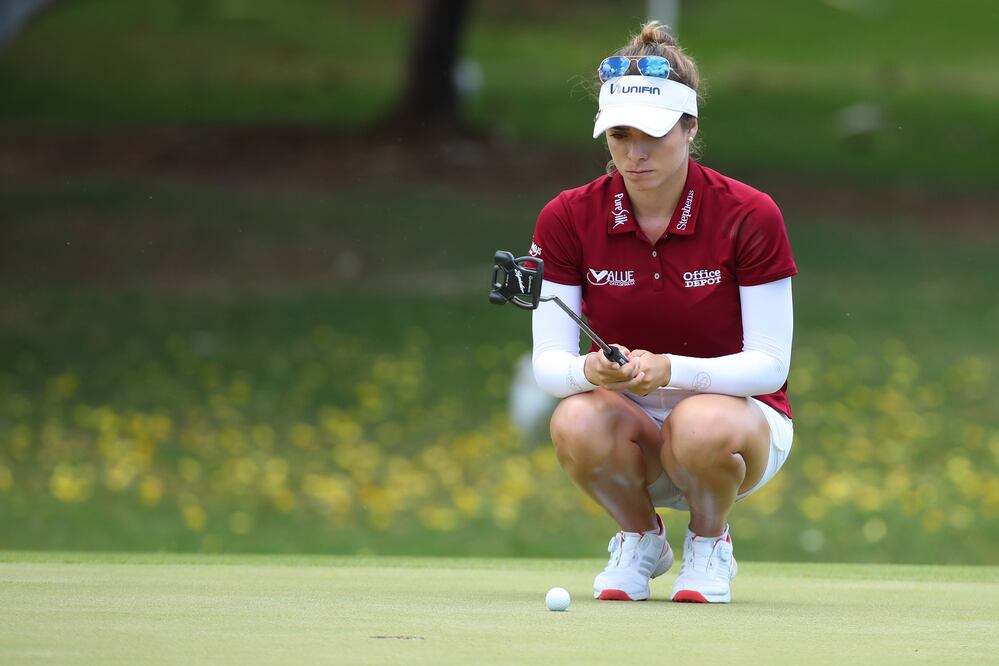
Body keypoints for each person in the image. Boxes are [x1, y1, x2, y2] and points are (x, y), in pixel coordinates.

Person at [529, 21, 796, 604]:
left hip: (738, 425)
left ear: (690, 127)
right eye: (620, 135)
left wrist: (672, 369)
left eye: (653, 133)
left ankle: (709, 541)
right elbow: (549, 364)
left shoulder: (750, 214)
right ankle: (640, 537)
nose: (636, 152)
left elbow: (771, 366)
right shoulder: (568, 217)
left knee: (698, 424)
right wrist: (589, 372)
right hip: (628, 424)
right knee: (573, 418)